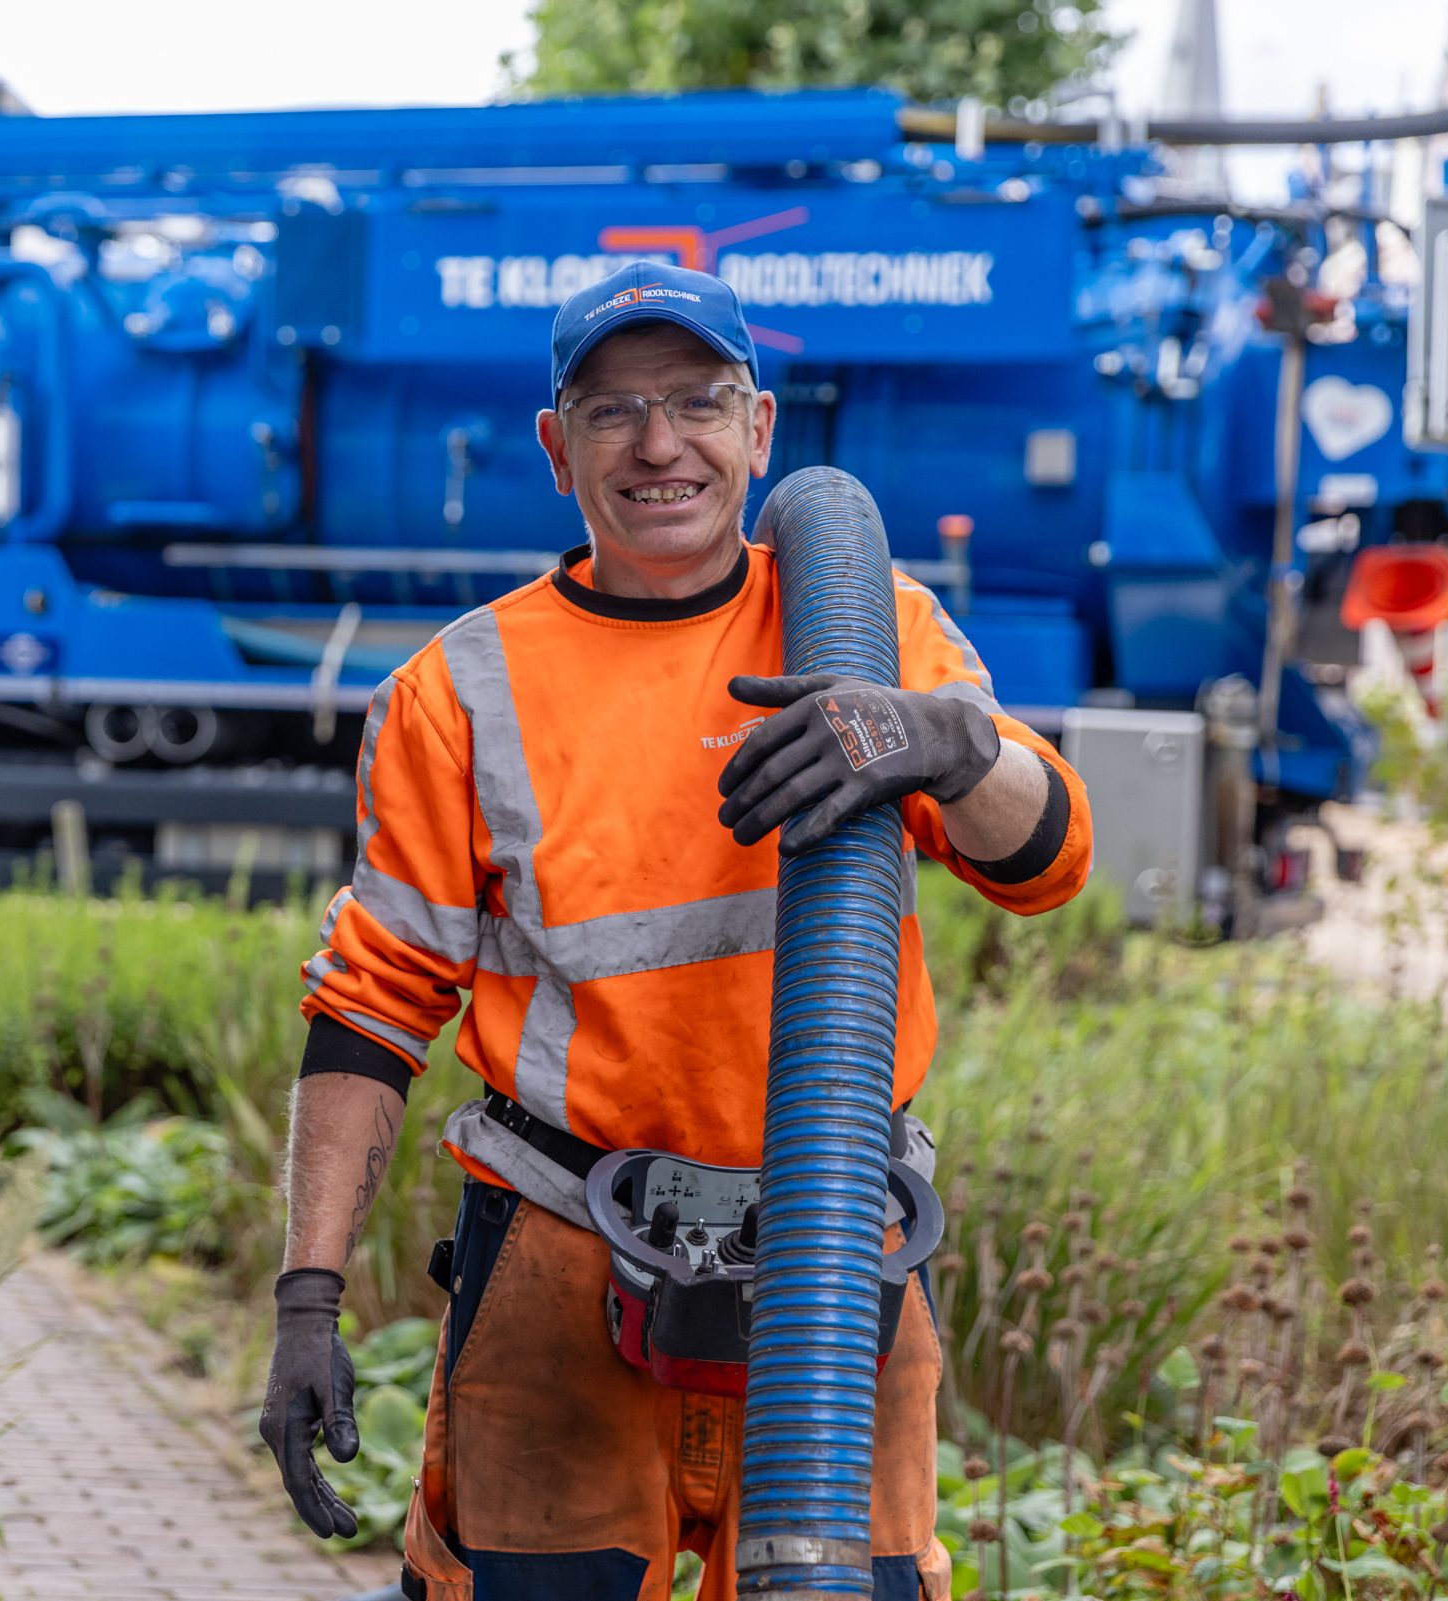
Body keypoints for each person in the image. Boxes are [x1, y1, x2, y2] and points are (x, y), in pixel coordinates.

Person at [257, 261, 1092, 1601]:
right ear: (556, 446)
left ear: (759, 428)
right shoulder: (460, 689)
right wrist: (308, 1301)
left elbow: (1047, 858)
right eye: (612, 410)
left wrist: (946, 739)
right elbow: (369, 1010)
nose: (661, 444)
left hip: (835, 1256)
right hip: (564, 1259)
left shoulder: (875, 631)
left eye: (698, 402)